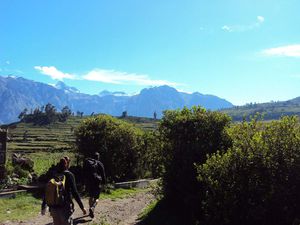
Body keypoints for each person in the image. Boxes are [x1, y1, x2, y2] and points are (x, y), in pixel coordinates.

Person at [41, 157, 87, 225]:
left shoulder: (54, 175)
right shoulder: (69, 175)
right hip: (65, 206)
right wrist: (82, 207)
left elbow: (48, 190)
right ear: (67, 164)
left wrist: (43, 206)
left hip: (54, 207)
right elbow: (75, 192)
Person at [83, 152, 106, 218]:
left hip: (89, 182)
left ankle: (91, 210)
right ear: (98, 157)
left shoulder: (88, 163)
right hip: (97, 182)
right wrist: (104, 183)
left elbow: (84, 172)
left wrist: (84, 183)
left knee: (91, 196)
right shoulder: (99, 163)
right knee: (97, 198)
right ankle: (92, 208)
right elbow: (103, 174)